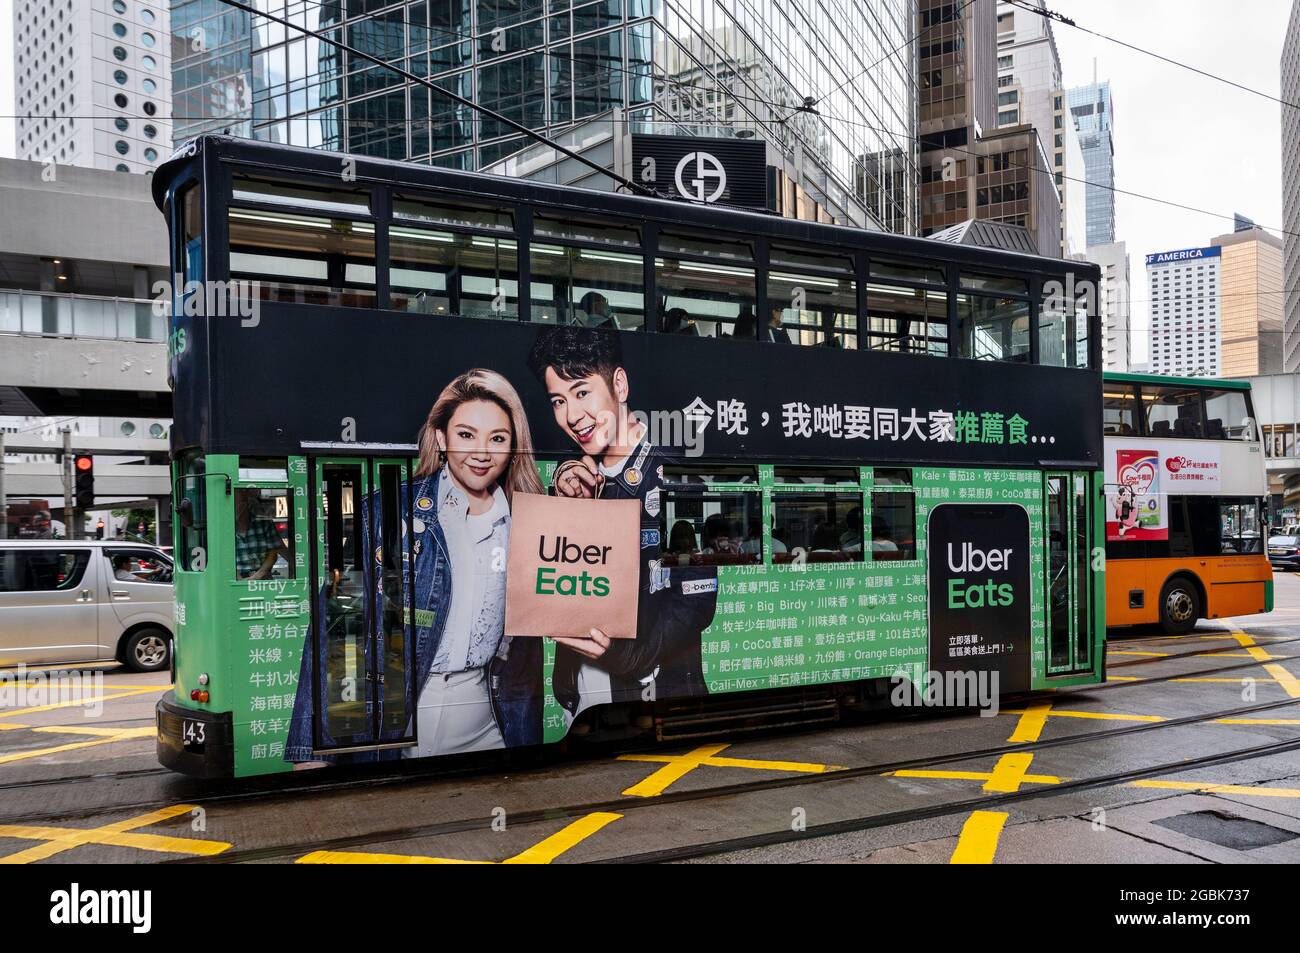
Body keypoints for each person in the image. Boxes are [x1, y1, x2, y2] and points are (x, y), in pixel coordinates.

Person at [285, 369, 545, 766]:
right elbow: (336, 632)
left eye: (498, 439)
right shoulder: (385, 512)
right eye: (466, 435)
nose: (481, 452)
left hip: (492, 728)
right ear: (441, 437)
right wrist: (312, 751)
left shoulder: (528, 524)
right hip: (395, 730)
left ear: (514, 447)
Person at [527, 325, 718, 720]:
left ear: (619, 384)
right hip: (577, 698)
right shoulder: (573, 478)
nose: (572, 416)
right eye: (558, 401)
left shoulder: (674, 477)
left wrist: (623, 655)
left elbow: (696, 603)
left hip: (653, 697)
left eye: (582, 392)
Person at [234, 490, 288, 580]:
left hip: (262, 581)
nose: (239, 506)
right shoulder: (224, 527)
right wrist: (236, 578)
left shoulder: (263, 523)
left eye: (242, 502)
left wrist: (258, 575)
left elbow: (273, 552)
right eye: (236, 502)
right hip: (234, 581)